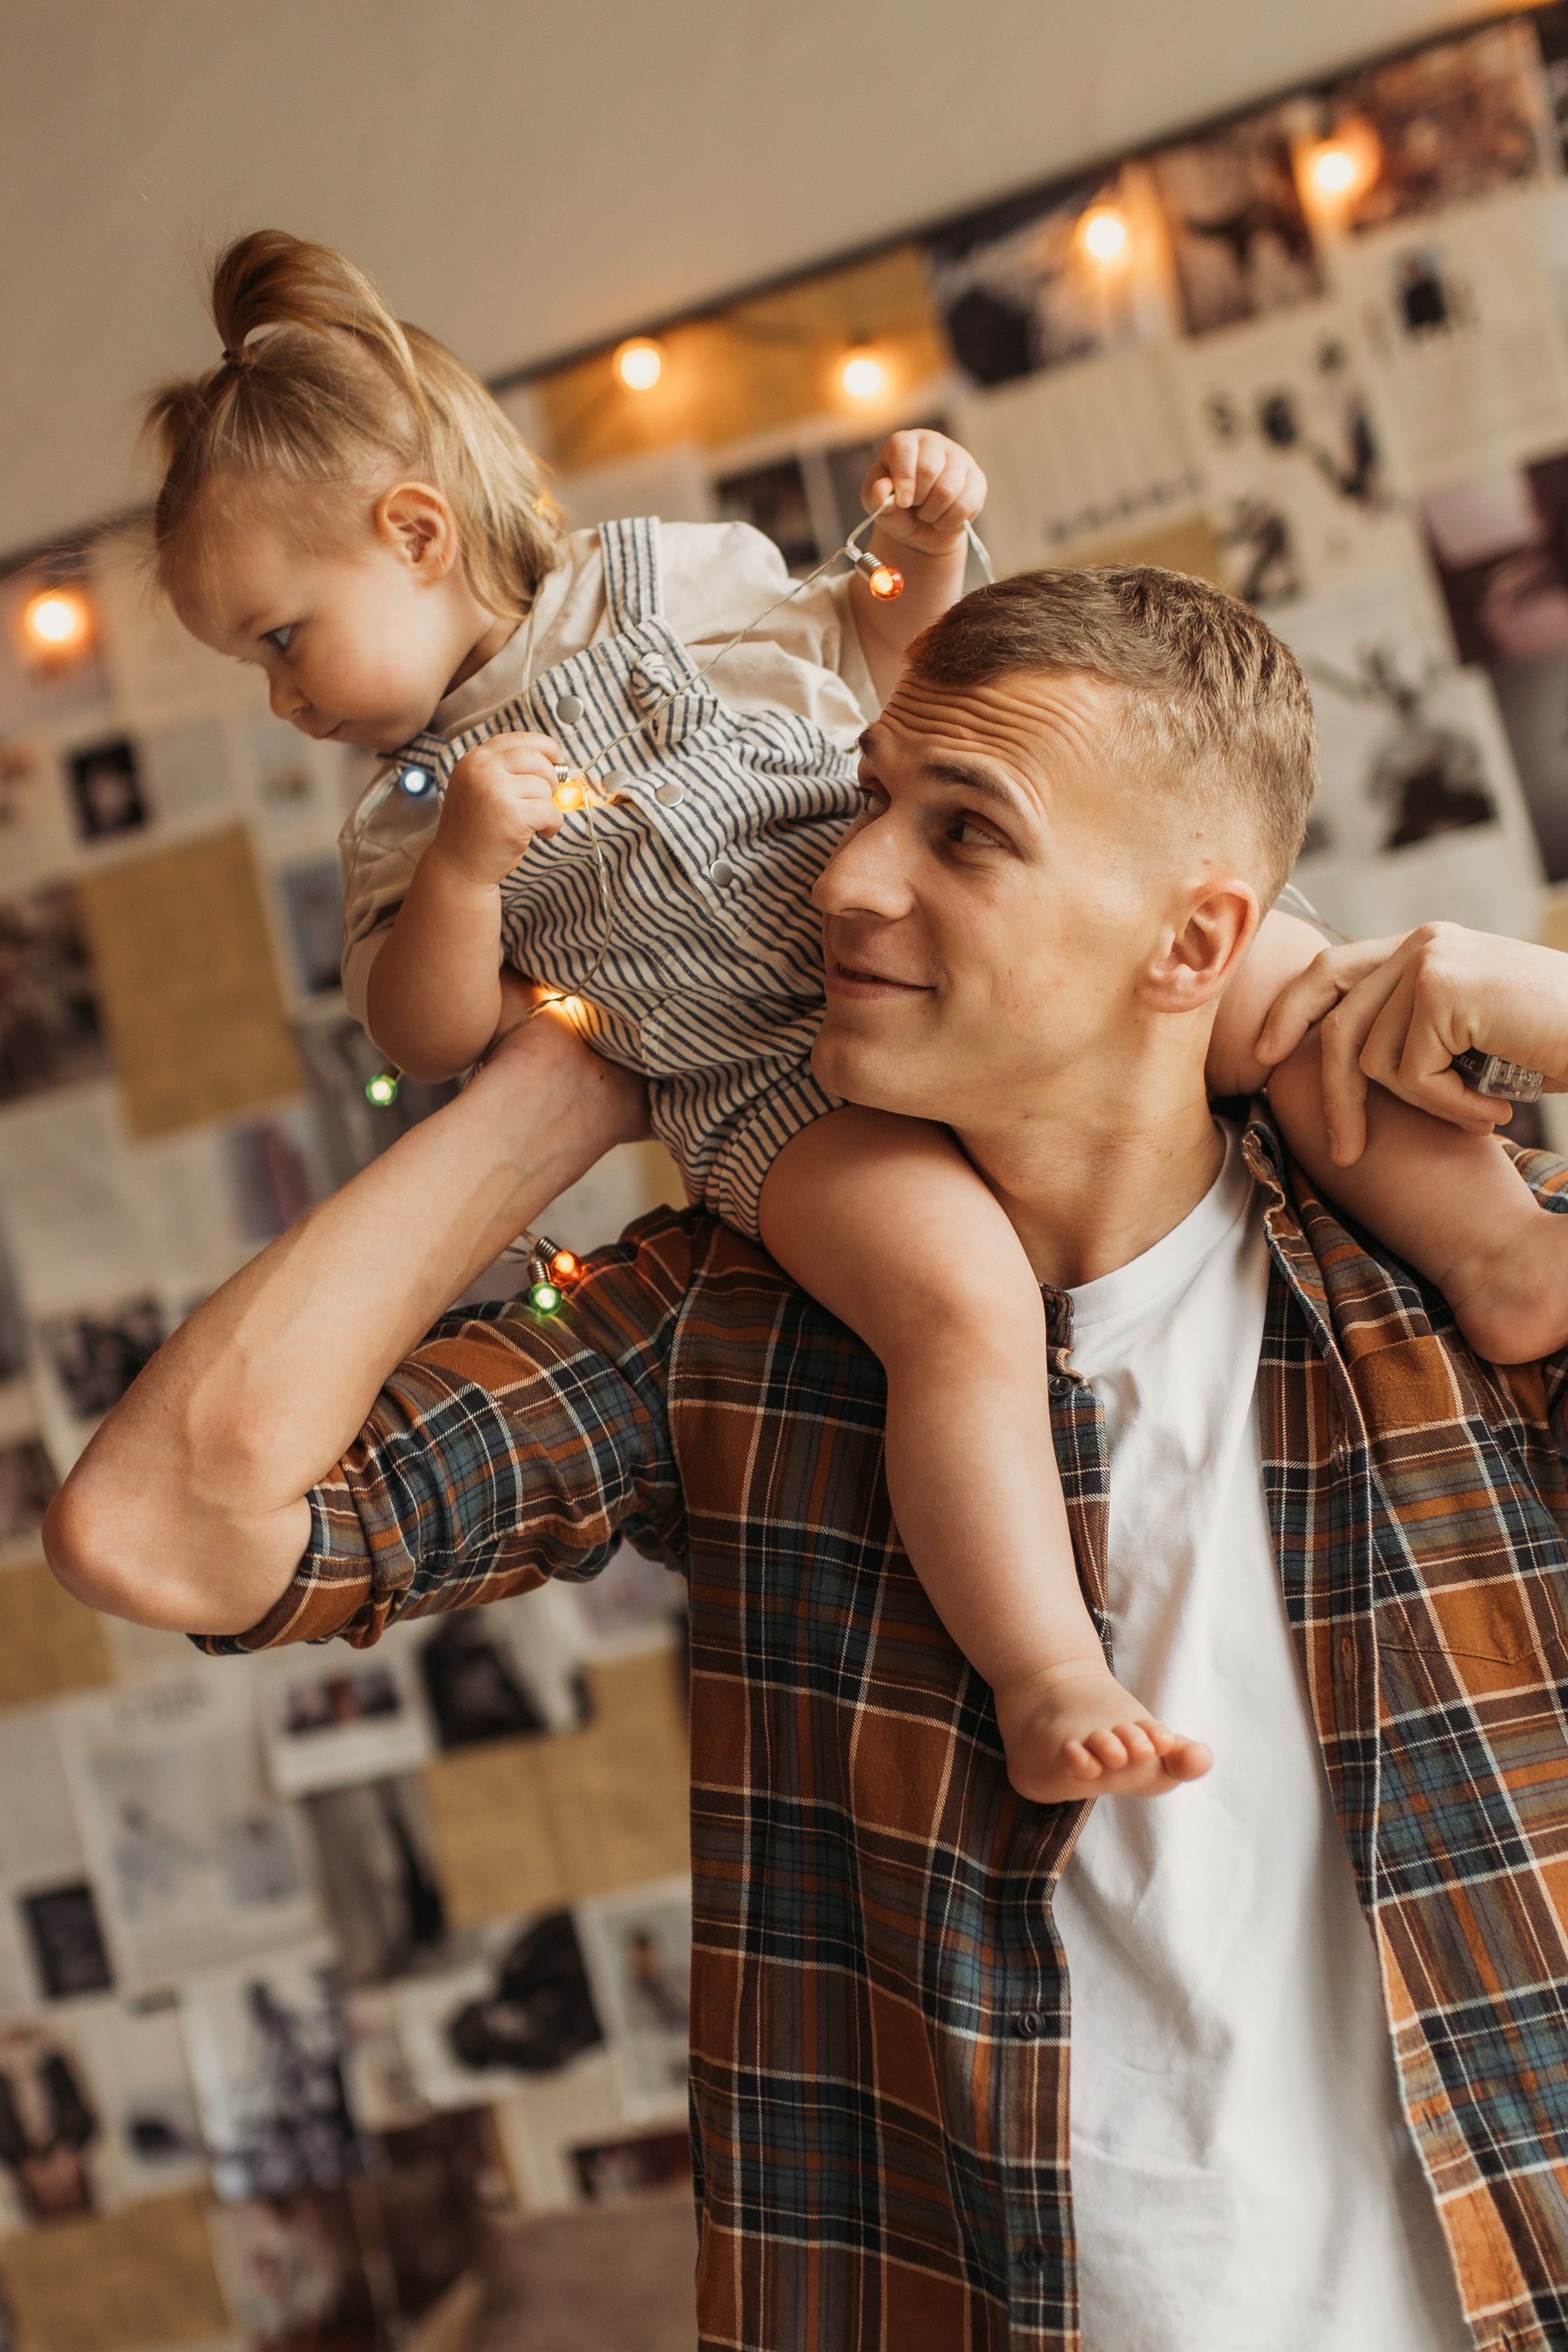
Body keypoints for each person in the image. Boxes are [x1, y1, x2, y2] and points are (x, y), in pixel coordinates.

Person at [47, 565, 1568, 2349]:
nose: (844, 875)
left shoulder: (1442, 1277)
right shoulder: (731, 1322)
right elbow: (163, 1528)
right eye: (865, 799)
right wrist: (563, 1074)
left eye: (965, 833)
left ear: (1192, 944)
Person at [140, 233, 1568, 1815]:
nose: (286, 702)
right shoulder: (410, 814)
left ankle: (1503, 1256)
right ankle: (1049, 1668)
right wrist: (482, 893)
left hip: (1116, 1066)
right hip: (766, 1091)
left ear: (415, 533)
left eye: (282, 639)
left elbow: (881, 656)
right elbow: (425, 1027)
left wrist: (922, 544)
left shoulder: (662, 584)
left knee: (1315, 1000)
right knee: (956, 1309)